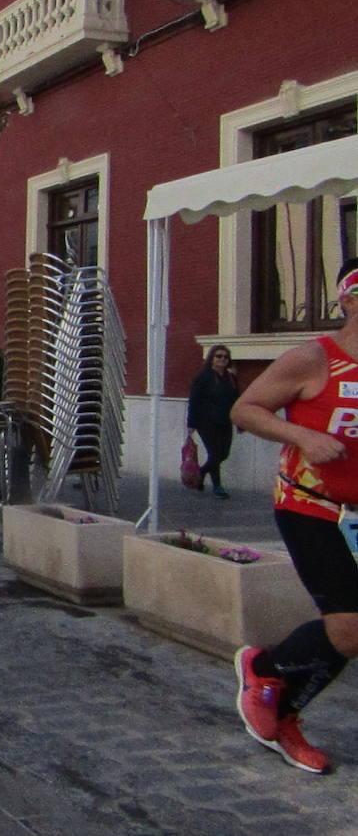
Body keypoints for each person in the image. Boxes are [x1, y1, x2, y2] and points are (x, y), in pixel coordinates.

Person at [231, 259, 358, 775]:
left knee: (351, 630)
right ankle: (264, 671)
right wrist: (303, 435)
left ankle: (280, 703)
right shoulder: (314, 358)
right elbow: (246, 409)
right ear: (349, 300)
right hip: (311, 506)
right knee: (350, 629)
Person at [188, 343, 240, 499]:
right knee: (215, 454)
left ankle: (201, 473)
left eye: (225, 356)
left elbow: (237, 400)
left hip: (225, 420)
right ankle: (218, 487)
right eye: (219, 356)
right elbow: (194, 400)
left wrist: (241, 421)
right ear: (211, 358)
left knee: (224, 454)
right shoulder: (203, 377)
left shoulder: (231, 378)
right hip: (206, 422)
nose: (222, 359)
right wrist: (191, 424)